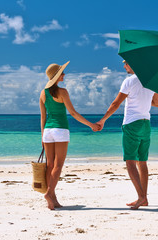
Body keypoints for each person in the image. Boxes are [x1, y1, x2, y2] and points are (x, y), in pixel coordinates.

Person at [97, 60, 158, 210]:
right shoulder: (151, 81)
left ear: (133, 63)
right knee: (142, 162)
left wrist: (103, 120)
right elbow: (157, 103)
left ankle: (141, 197)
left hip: (132, 124)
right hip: (146, 123)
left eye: (126, 63)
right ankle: (144, 198)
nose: (124, 65)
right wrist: (143, 96)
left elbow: (115, 104)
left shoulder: (129, 81)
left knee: (131, 162)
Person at [39, 61, 100, 210]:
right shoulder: (62, 92)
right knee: (58, 165)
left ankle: (53, 199)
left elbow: (43, 117)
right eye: (62, 73)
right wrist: (91, 124)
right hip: (60, 131)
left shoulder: (42, 93)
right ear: (57, 76)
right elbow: (73, 113)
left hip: (47, 131)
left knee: (50, 165)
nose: (64, 75)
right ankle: (49, 193)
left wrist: (42, 136)